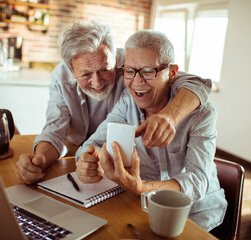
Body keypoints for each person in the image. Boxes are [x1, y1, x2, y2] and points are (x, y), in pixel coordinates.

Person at [16, 21, 212, 184]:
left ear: (116, 61)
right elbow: (54, 130)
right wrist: (40, 160)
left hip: (132, 167)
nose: (97, 82)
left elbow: (196, 83)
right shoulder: (62, 78)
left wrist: (169, 115)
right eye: (86, 74)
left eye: (104, 69)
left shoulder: (131, 61)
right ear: (72, 71)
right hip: (90, 158)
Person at [75, 30, 226, 231]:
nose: (137, 81)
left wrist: (142, 187)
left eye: (148, 71)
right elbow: (90, 145)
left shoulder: (202, 113)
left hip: (196, 216)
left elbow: (197, 181)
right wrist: (87, 160)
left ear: (172, 73)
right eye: (129, 71)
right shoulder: (126, 103)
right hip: (142, 210)